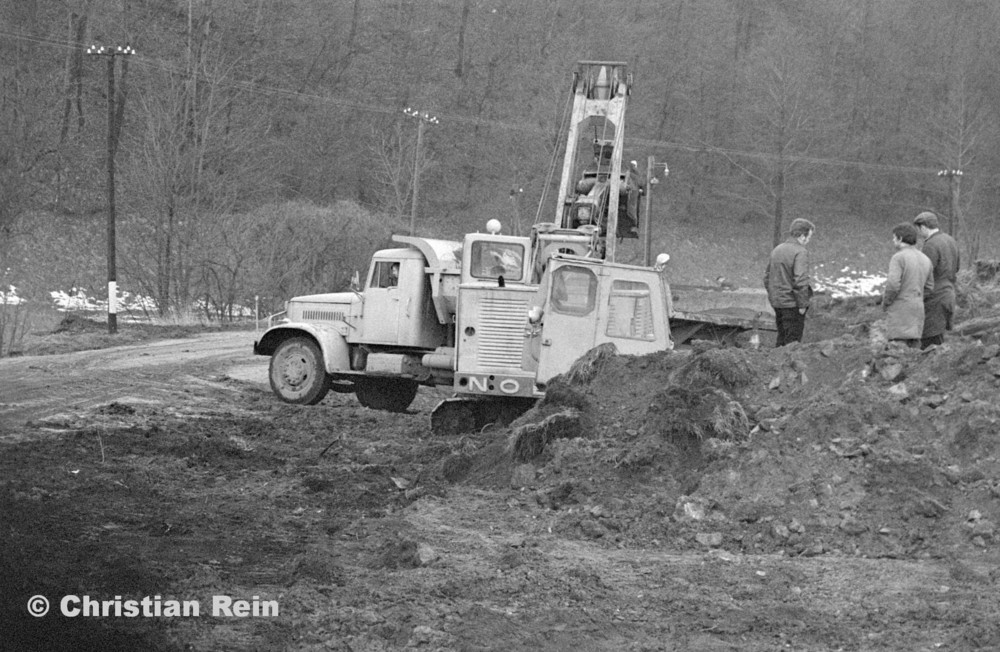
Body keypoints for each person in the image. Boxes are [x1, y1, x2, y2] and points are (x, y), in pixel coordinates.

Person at [764, 218, 815, 346]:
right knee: (792, 343)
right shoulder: (801, 252)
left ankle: (775, 364)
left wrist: (774, 295)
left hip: (777, 303)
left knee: (781, 339)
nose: (808, 240)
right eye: (809, 237)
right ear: (802, 236)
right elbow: (800, 280)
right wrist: (802, 304)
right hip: (792, 305)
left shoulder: (777, 249)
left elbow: (767, 277)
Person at [913, 211, 960, 349]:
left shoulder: (930, 245)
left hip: (934, 299)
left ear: (923, 227)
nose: (919, 233)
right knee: (938, 341)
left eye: (918, 229)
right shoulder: (950, 240)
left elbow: (922, 275)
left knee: (929, 345)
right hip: (949, 295)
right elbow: (956, 268)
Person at [882, 223, 933, 348]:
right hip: (918, 312)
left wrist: (886, 302)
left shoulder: (898, 258)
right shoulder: (926, 259)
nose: (893, 241)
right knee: (914, 355)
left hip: (900, 313)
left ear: (900, 239)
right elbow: (929, 287)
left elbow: (893, 285)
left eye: (894, 238)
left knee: (896, 352)